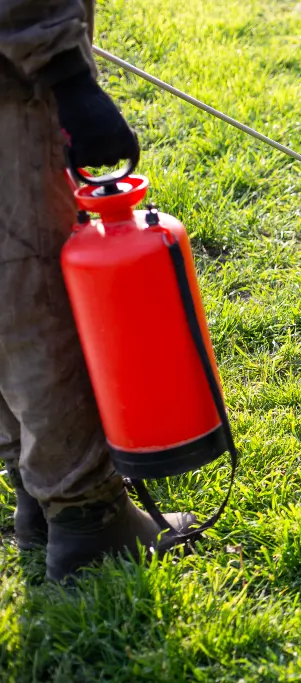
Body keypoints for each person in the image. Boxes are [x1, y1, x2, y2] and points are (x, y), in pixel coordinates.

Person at [0, 0, 194, 582]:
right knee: (31, 288)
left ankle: (36, 495)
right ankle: (89, 517)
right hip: (14, 82)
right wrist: (67, 71)